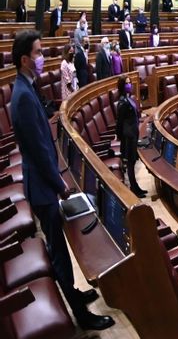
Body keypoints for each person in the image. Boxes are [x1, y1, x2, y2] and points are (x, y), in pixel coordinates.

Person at [10, 30, 115, 331]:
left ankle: (75, 295)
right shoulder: (23, 97)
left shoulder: (27, 90)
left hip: (43, 183)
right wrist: (59, 184)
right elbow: (39, 150)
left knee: (61, 248)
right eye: (39, 52)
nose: (43, 58)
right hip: (42, 188)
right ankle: (81, 316)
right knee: (57, 252)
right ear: (24, 59)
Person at [115, 75, 147, 198]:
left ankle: (136, 186)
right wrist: (119, 137)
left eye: (130, 82)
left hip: (133, 133)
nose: (130, 85)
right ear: (122, 86)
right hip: (128, 135)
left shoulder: (128, 98)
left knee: (132, 161)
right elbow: (119, 122)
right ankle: (134, 188)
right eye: (127, 83)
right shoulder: (122, 102)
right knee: (130, 162)